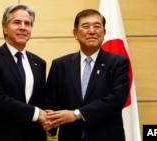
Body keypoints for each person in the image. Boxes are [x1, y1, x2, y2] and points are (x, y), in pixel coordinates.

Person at [44, 9, 130, 141]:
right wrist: (50, 121)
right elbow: (50, 101)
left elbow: (117, 99)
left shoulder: (118, 63)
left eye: (97, 26)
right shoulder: (60, 65)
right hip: (70, 137)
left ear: (104, 33)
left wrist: (76, 114)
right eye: (85, 26)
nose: (92, 31)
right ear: (75, 33)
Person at [0, 4, 47, 141]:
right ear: (5, 28)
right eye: (17, 22)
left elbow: (40, 100)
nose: (23, 27)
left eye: (27, 24)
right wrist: (37, 113)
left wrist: (51, 116)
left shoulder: (39, 63)